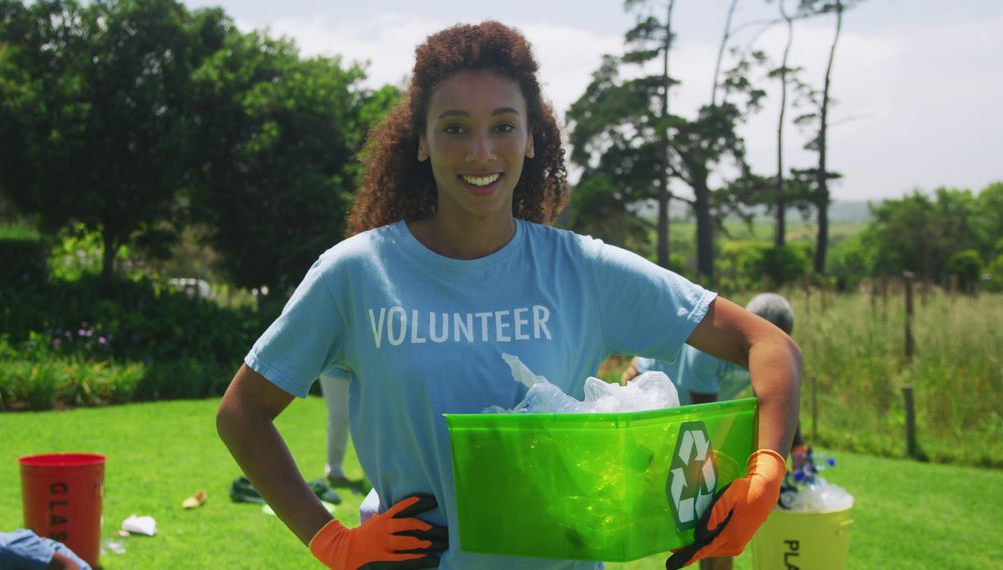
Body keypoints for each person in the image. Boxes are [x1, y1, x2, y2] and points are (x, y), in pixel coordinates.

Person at [216, 20, 801, 570]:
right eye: (454, 128)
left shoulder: (583, 270)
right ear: (420, 140)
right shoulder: (357, 273)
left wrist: (767, 468)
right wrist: (333, 542)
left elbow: (769, 346)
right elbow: (242, 413)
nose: (480, 151)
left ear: (529, 140)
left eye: (502, 126)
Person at [623, 292, 805, 570]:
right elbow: (707, 422)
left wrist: (798, 448)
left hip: (690, 407)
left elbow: (780, 399)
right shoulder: (707, 353)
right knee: (707, 494)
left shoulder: (769, 354)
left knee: (717, 504)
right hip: (646, 393)